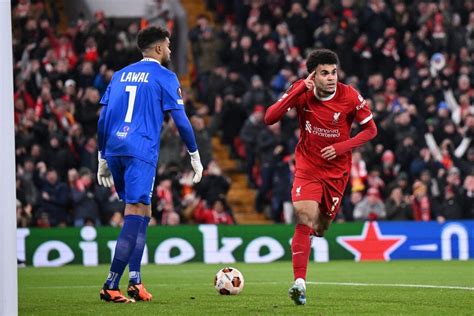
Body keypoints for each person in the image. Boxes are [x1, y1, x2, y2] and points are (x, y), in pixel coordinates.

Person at [96, 26, 203, 303]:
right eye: (167, 46)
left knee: (144, 209)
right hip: (140, 148)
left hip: (114, 147)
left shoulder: (119, 75)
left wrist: (101, 157)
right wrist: (194, 153)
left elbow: (102, 119)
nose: (169, 50)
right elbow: (181, 120)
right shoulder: (165, 76)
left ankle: (136, 281)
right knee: (134, 210)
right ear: (158, 48)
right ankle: (111, 284)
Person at [264, 49, 377, 305]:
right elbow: (269, 118)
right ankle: (299, 283)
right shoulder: (301, 90)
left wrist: (341, 147)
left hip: (337, 172)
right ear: (313, 75)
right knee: (304, 216)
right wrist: (296, 91)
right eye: (324, 73)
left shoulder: (349, 95)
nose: (331, 78)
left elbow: (371, 130)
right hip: (308, 166)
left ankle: (310, 236)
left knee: (321, 227)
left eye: (333, 72)